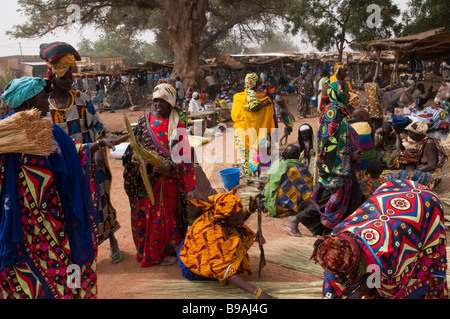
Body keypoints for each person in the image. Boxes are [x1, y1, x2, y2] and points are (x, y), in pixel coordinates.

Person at [0, 77, 99, 298]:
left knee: (60, 266)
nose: (47, 102)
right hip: (22, 222)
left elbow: (71, 151)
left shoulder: (47, 129)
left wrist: (92, 147)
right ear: (27, 105)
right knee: (25, 274)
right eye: (41, 98)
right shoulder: (6, 135)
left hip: (53, 217)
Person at [40, 42, 123, 263]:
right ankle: (79, 251)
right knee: (69, 208)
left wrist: (97, 155)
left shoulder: (81, 100)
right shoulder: (44, 106)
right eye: (64, 78)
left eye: (71, 78)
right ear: (52, 79)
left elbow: (97, 129)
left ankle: (112, 240)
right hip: (62, 165)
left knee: (99, 202)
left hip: (88, 161)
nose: (69, 81)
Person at [311, 179, 448, 299]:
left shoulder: (385, 253)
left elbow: (387, 287)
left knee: (415, 272)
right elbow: (331, 281)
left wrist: (361, 291)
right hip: (393, 196)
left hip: (424, 204)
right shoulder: (336, 237)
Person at [122, 83, 195, 267]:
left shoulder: (177, 123)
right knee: (144, 213)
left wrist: (169, 166)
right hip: (144, 178)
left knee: (163, 215)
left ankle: (167, 251)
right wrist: (133, 158)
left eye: (161, 101)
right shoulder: (143, 120)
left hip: (166, 181)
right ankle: (145, 250)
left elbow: (184, 154)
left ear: (170, 103)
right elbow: (134, 146)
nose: (156, 104)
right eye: (155, 100)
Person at [291, 81, 363, 237]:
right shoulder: (333, 112)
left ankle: (345, 232)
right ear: (337, 92)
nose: (348, 92)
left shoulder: (338, 110)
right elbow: (331, 142)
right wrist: (350, 155)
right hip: (335, 167)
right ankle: (296, 219)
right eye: (345, 90)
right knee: (326, 200)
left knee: (354, 198)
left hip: (342, 165)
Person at [177, 187, 275, 299]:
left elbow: (236, 219)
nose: (240, 222)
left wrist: (250, 210)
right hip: (191, 267)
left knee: (237, 231)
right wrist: (259, 294)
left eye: (240, 218)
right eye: (236, 220)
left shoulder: (221, 216)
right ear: (224, 220)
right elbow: (224, 270)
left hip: (198, 244)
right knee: (235, 239)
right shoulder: (213, 234)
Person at [232, 73, 275, 180]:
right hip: (248, 132)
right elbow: (254, 107)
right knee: (256, 157)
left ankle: (249, 179)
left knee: (245, 158)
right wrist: (265, 103)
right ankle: (257, 179)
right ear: (255, 83)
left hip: (240, 131)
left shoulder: (240, 96)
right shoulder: (251, 94)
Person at [262, 145, 313, 221]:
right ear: (297, 156)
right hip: (282, 205)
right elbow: (308, 188)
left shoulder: (278, 163)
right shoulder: (297, 169)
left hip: (267, 200)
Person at [349, 108, 377, 181]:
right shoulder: (367, 125)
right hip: (368, 161)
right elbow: (373, 140)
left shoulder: (347, 124)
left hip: (354, 161)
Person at [296, 123, 318, 188]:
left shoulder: (314, 142)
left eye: (306, 133)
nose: (304, 135)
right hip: (303, 163)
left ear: (310, 133)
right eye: (302, 134)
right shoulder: (299, 142)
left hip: (312, 164)